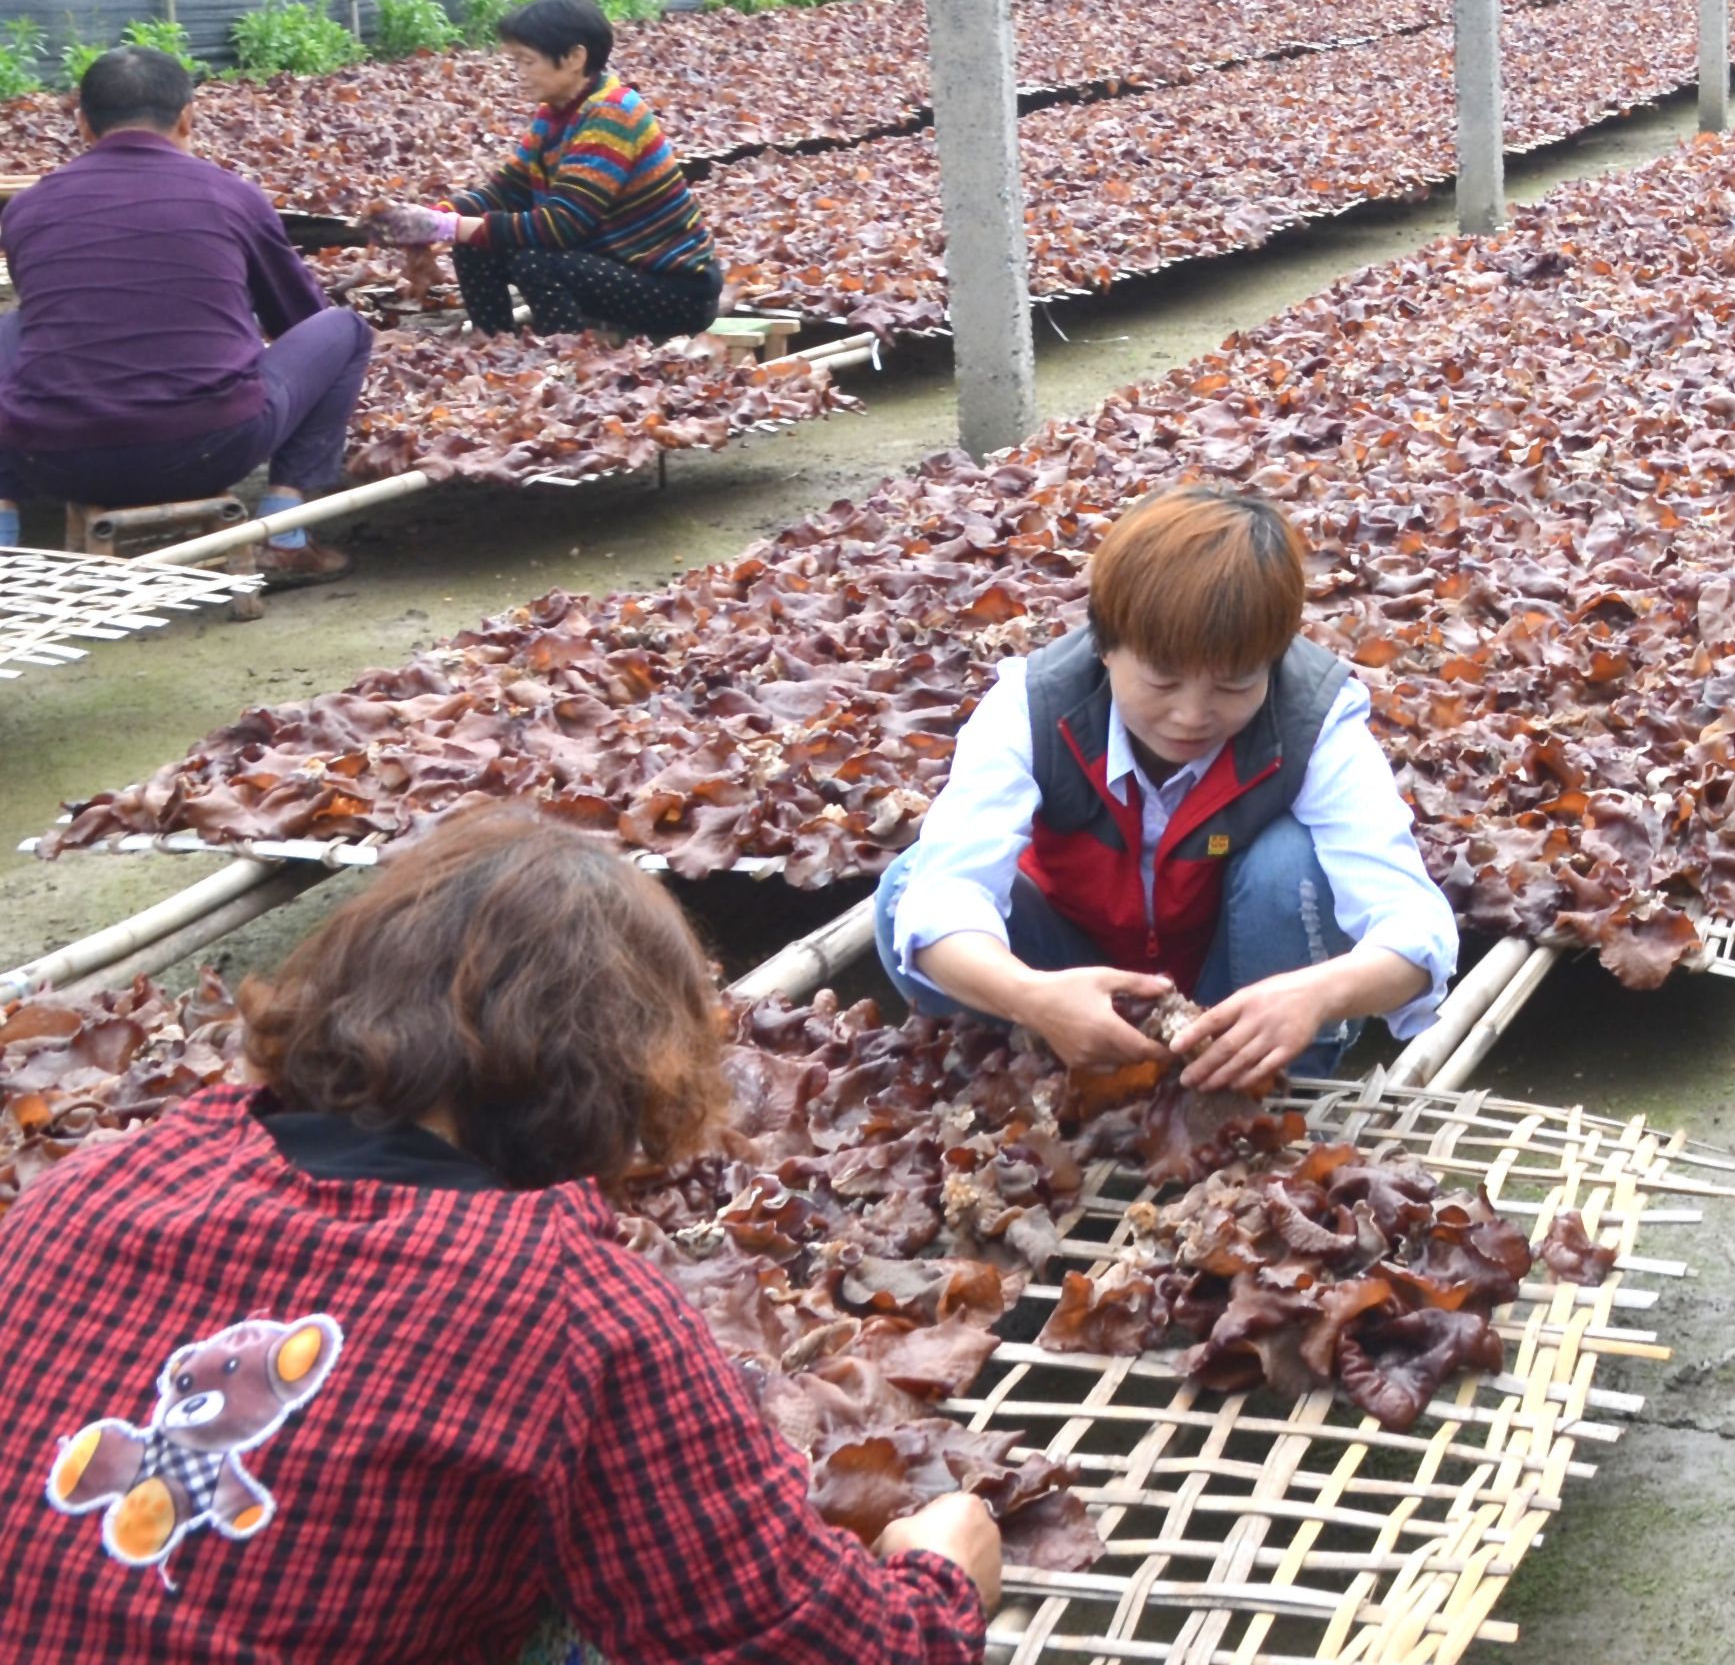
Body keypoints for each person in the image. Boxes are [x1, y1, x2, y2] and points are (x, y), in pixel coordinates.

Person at [0, 803, 1000, 1661]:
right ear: (624, 1068)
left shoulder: (101, 1178)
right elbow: (809, 1646)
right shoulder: (572, 1311)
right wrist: (942, 1577)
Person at [875, 480, 1458, 1092]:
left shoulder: (1314, 718)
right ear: (1104, 645)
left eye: (1234, 686)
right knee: (906, 890)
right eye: (1161, 682)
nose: (1191, 715)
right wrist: (1031, 996)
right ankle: (1041, 1068)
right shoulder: (1032, 707)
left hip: (1234, 1000)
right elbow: (945, 897)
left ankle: (1285, 1079)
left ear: (1275, 657)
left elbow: (1414, 924)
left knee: (1293, 863)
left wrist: (1316, 994)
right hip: (1066, 975)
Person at [0, 45, 372, 571]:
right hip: (208, 448)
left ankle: (4, 527)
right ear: (187, 118)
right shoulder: (231, 196)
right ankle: (286, 537)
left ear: (82, 125)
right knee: (344, 329)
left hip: (53, 460)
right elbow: (300, 320)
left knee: (14, 327)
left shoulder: (27, 208)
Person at [370, 0, 724, 340]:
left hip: (675, 289)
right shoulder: (554, 113)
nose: (519, 73)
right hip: (612, 266)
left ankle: (560, 358)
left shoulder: (613, 112)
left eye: (527, 61)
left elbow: (561, 225)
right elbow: (507, 191)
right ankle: (494, 344)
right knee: (476, 242)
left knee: (536, 261)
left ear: (574, 57)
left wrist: (447, 227)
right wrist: (429, 221)